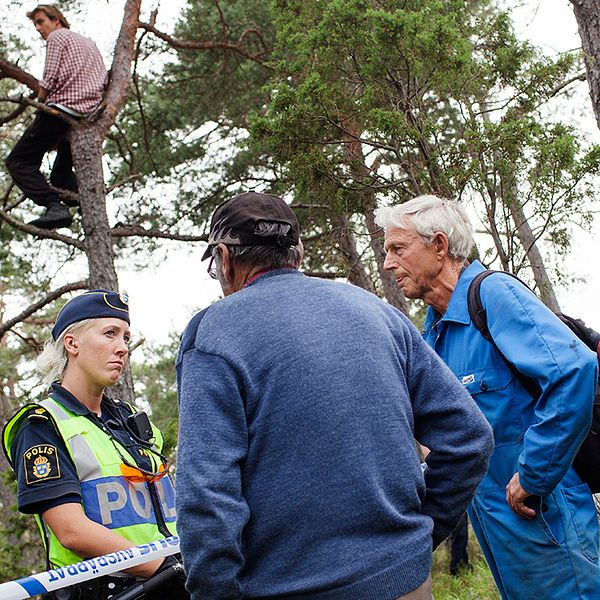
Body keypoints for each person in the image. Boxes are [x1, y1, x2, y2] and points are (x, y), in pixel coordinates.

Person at [176, 191, 494, 600]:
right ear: (299, 252)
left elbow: (206, 493)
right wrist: (416, 537)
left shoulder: (213, 333)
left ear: (223, 258)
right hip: (407, 582)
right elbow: (470, 438)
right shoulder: (377, 312)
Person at [375, 194, 600, 599]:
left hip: (543, 514)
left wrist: (534, 475)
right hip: (498, 528)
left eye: (397, 248)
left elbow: (573, 371)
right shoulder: (434, 334)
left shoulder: (492, 295)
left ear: (439, 246)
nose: (388, 263)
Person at [2, 290, 187, 599]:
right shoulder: (41, 425)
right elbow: (71, 531)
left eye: (126, 338)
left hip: (174, 582)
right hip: (112, 590)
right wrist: (168, 567)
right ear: (72, 343)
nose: (123, 348)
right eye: (110, 334)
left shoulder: (134, 424)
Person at [5, 4, 107, 230]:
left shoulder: (57, 37)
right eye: (36, 24)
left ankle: (54, 206)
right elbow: (103, 79)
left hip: (61, 109)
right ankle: (86, 207)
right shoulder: (88, 43)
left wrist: (39, 104)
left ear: (56, 20)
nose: (38, 29)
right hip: (86, 114)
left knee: (18, 161)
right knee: (60, 175)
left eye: (41, 22)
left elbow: (49, 77)